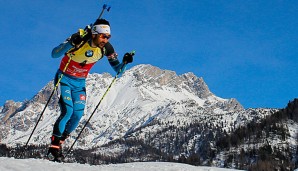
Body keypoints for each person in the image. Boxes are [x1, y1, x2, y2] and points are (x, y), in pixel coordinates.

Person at [47, 18, 133, 160]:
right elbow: (54, 54)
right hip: (64, 79)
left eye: (108, 37)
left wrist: (125, 62)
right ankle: (54, 147)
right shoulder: (79, 39)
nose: (106, 39)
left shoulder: (107, 48)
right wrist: (70, 43)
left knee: (78, 115)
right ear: (94, 33)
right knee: (67, 111)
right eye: (103, 36)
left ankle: (60, 143)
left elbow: (118, 71)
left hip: (79, 83)